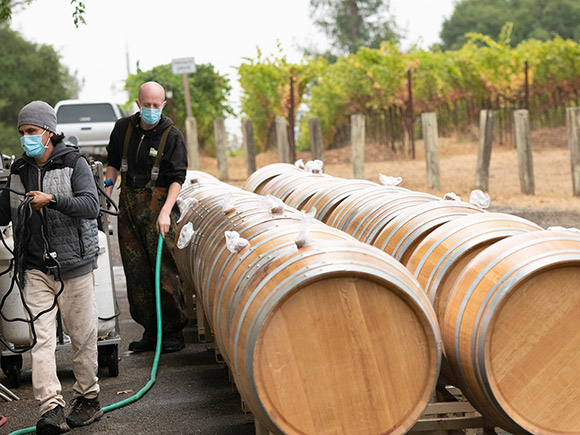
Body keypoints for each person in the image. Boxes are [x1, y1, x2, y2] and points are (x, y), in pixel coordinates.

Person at [0, 101, 103, 434]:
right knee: (41, 340)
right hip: (34, 268)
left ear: (48, 131)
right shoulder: (19, 170)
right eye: (22, 133)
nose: (26, 138)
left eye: (31, 131)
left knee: (82, 338)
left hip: (75, 266)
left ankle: (88, 397)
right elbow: (5, 212)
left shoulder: (75, 163)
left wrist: (52, 200)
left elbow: (90, 205)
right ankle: (51, 409)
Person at [105, 81, 188, 354]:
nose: (151, 110)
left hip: (158, 208)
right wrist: (106, 190)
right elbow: (113, 163)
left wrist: (166, 212)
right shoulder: (123, 129)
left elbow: (177, 178)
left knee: (163, 270)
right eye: (146, 105)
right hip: (128, 207)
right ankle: (151, 332)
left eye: (157, 105)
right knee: (136, 272)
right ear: (138, 104)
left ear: (163, 105)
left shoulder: (172, 136)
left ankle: (173, 332)